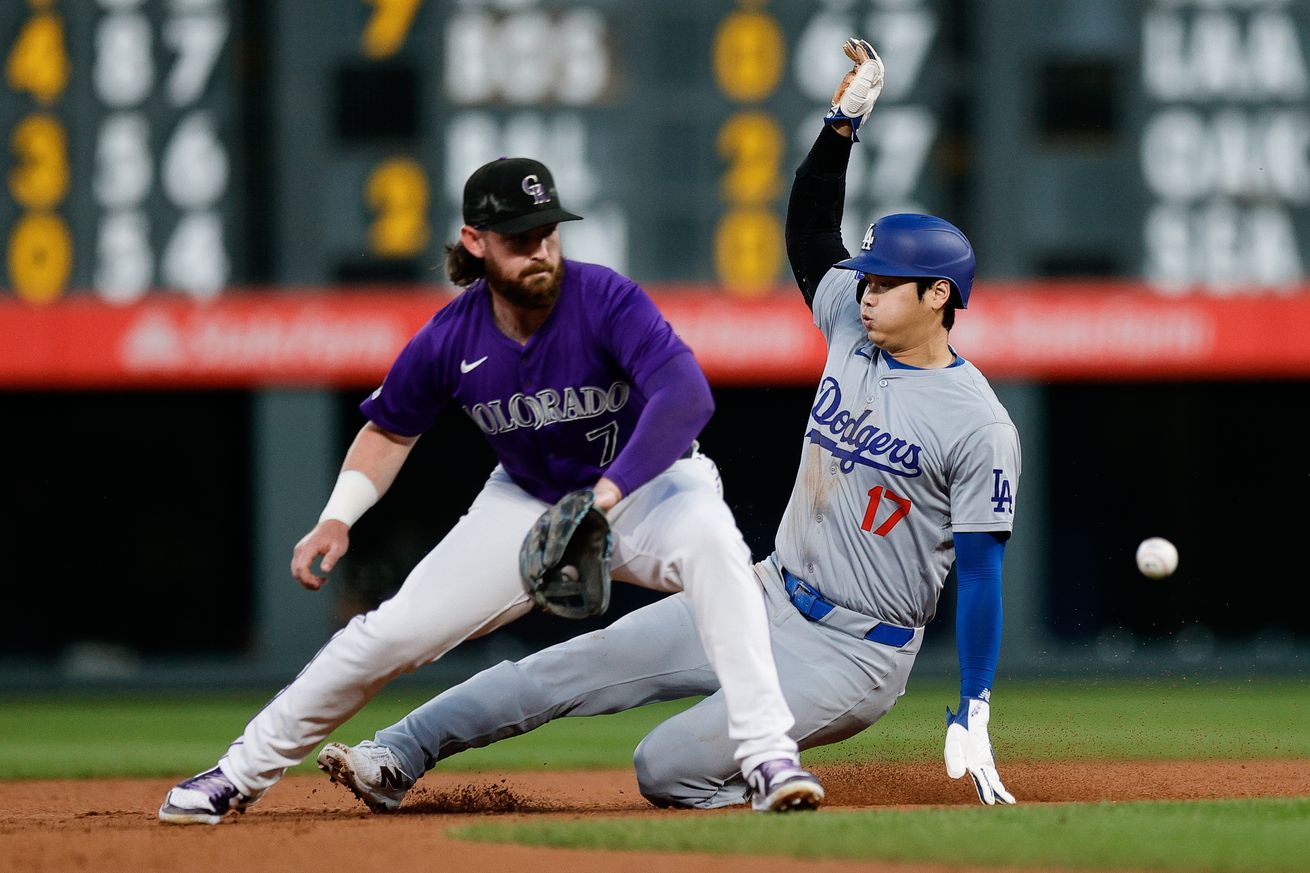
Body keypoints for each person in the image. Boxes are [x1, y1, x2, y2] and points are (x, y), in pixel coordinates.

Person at [315, 38, 1020, 813]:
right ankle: (396, 754)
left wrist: (977, 701)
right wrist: (841, 125)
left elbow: (983, 574)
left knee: (665, 767)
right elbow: (812, 237)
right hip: (767, 591)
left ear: (939, 298)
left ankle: (776, 808)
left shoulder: (979, 422)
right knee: (563, 668)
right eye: (868, 277)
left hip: (855, 655)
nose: (866, 290)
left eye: (887, 283)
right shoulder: (856, 328)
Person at [158, 156, 819, 824]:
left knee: (717, 551)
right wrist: (338, 517)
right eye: (519, 237)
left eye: (549, 232)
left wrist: (608, 497)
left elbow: (686, 395)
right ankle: (237, 774)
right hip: (526, 500)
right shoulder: (452, 337)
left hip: (649, 482)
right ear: (476, 241)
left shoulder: (605, 299)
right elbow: (389, 431)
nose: (540, 248)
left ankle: (768, 756)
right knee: (389, 634)